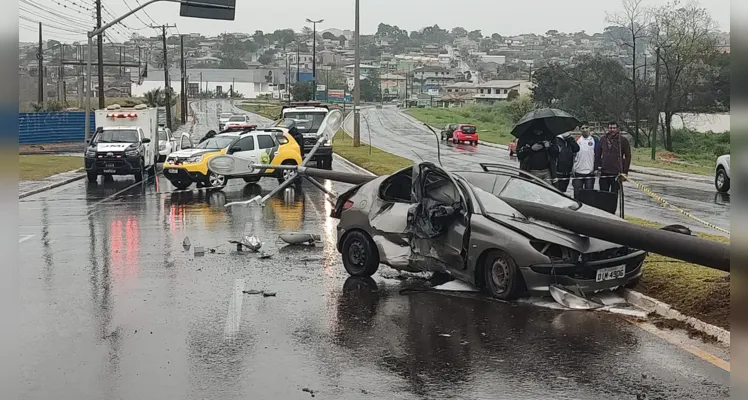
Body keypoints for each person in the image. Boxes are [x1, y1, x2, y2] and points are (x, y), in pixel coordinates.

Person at [595, 121, 631, 194]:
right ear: (608, 129)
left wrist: (625, 172)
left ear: (617, 129)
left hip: (616, 173)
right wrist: (596, 167)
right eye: (610, 128)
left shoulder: (623, 140)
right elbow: (597, 155)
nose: (612, 130)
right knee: (603, 194)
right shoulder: (603, 139)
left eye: (614, 128)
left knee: (614, 194)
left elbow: (628, 156)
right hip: (604, 172)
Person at [572, 122, 598, 198]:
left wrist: (596, 168)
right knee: (577, 196)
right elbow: (573, 155)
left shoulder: (595, 140)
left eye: (586, 128)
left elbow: (598, 155)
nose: (585, 130)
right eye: (582, 128)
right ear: (580, 130)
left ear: (590, 129)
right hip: (578, 172)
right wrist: (572, 169)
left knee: (589, 197)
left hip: (590, 173)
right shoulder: (577, 140)